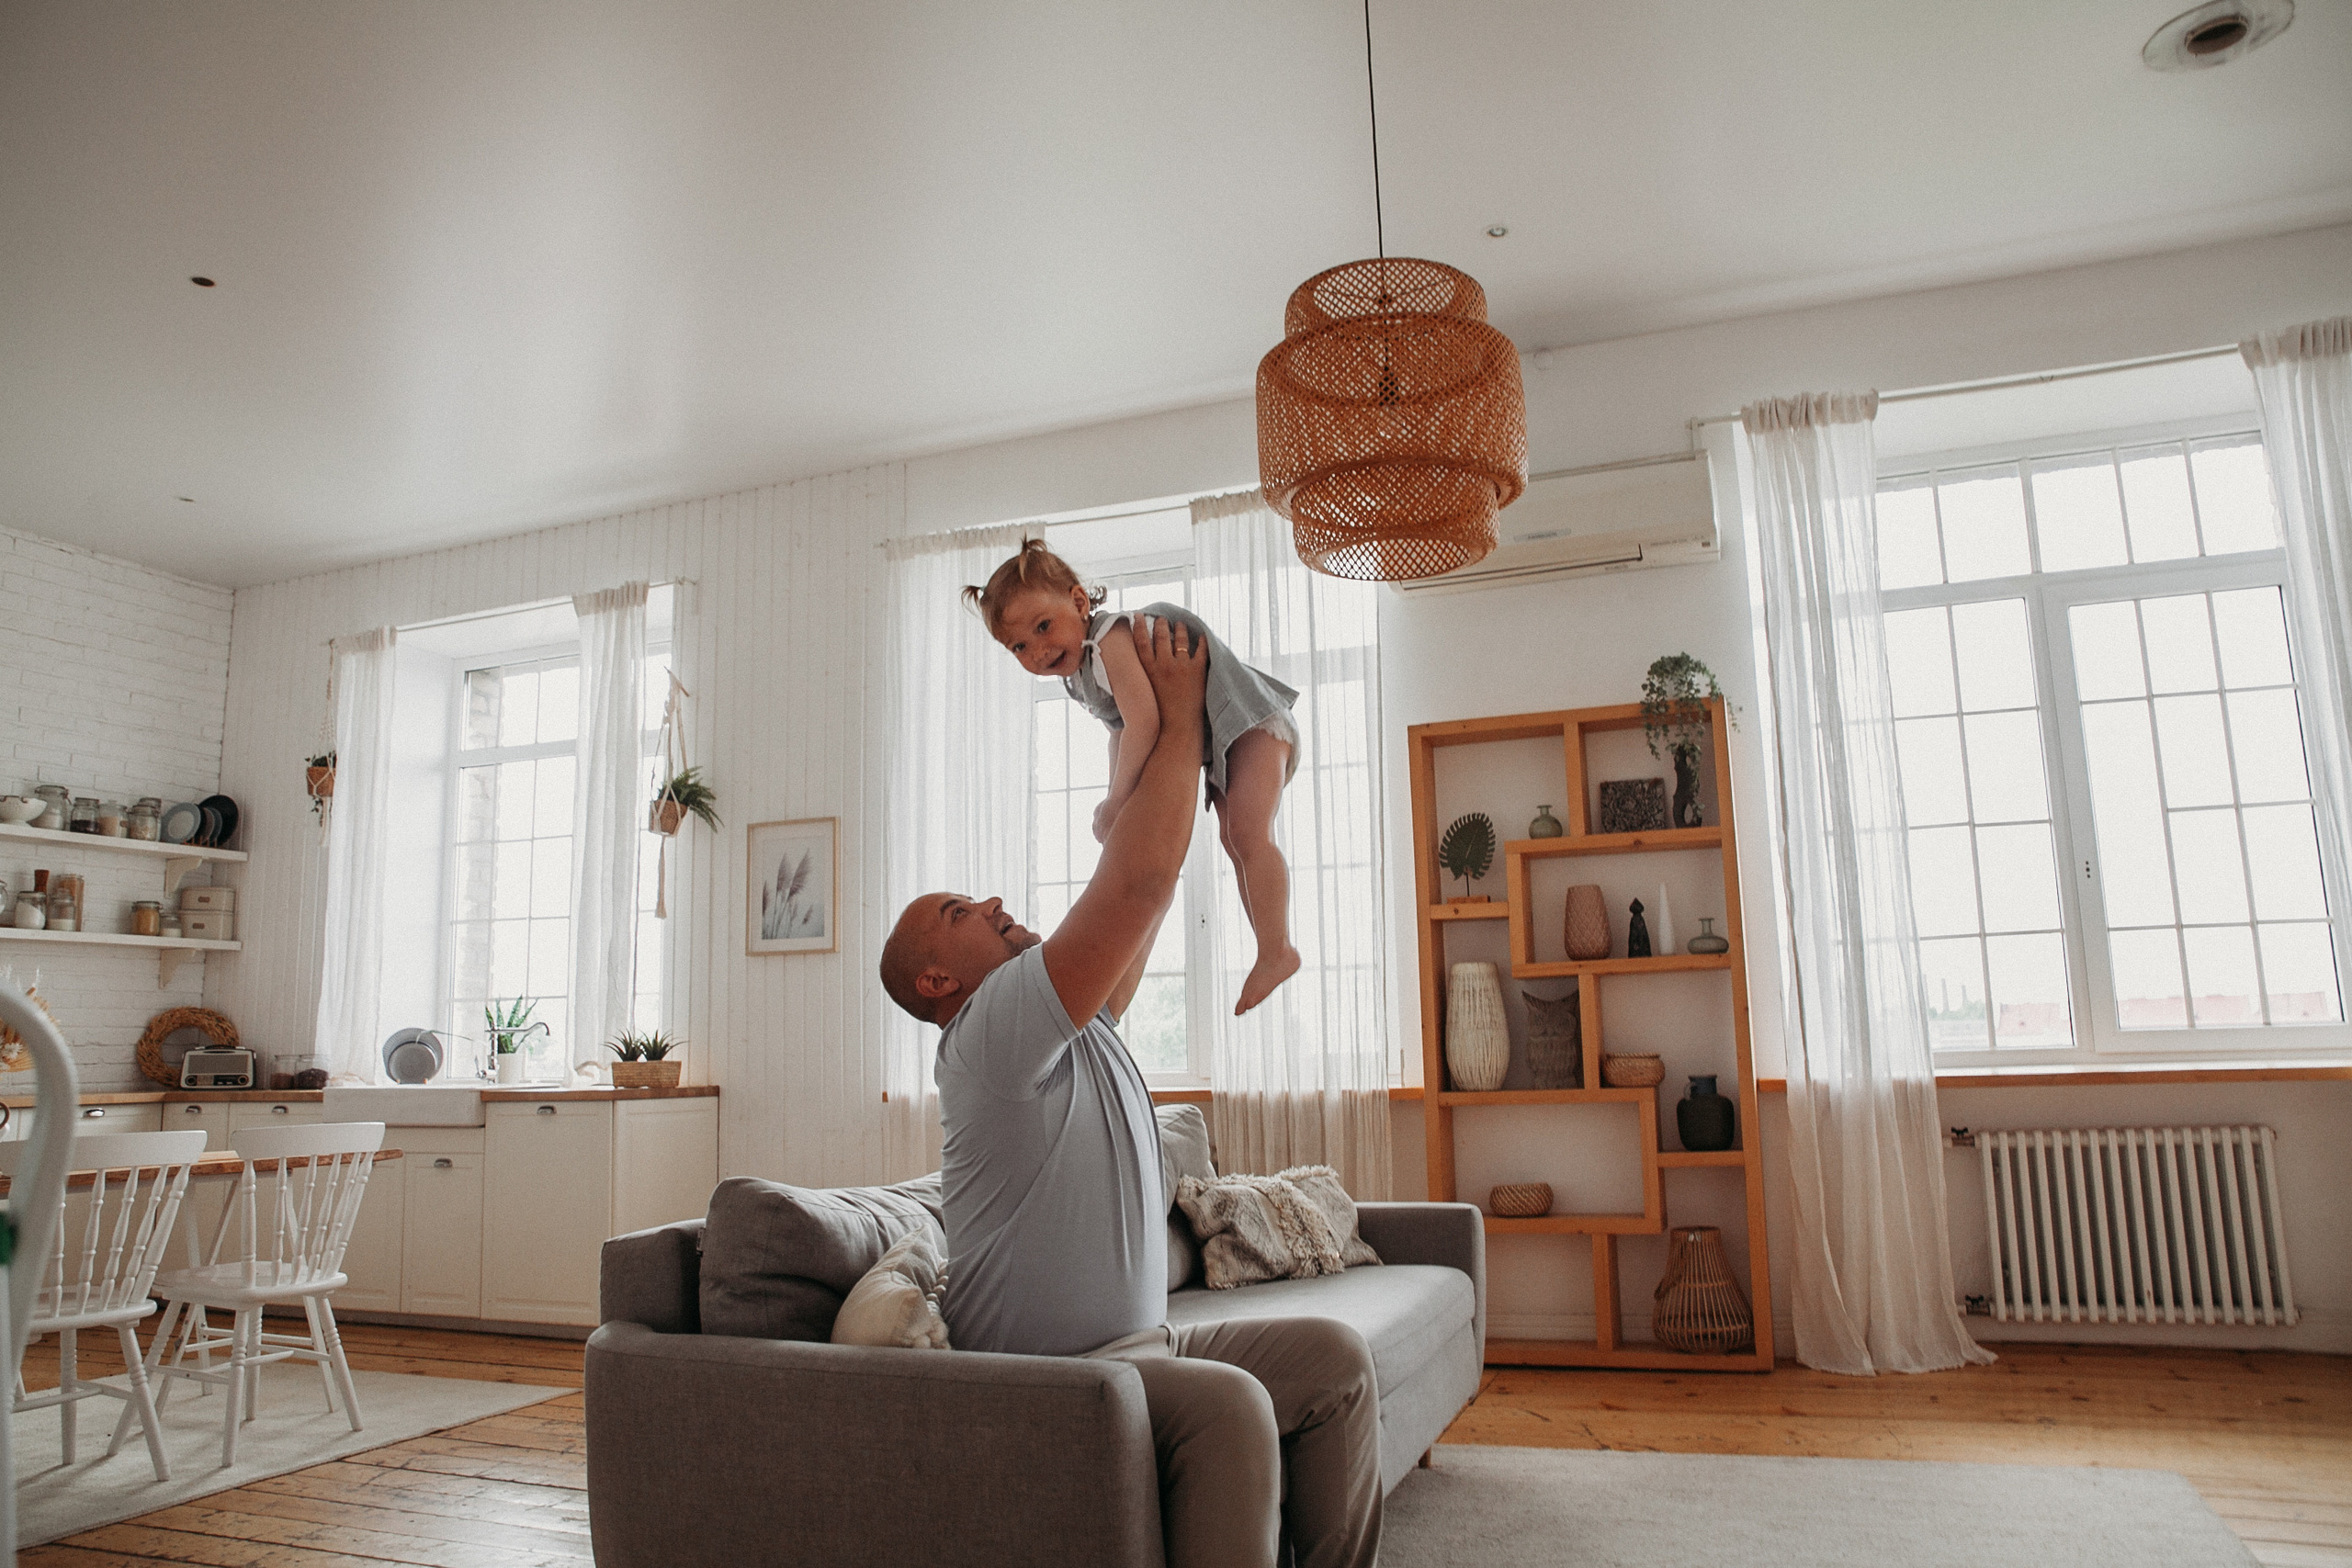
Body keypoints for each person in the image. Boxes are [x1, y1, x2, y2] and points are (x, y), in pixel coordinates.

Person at [878, 613, 1380, 1568]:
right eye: (957, 913)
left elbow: (1155, 872)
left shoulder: (1070, 1024)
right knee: (1232, 1403)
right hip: (1049, 1378)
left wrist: (1155, 749)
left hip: (1140, 1349)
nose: (988, 903)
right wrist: (1184, 713)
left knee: (1330, 1360)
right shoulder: (987, 1034)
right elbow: (1140, 879)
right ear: (937, 982)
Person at [963, 538, 1302, 1015]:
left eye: (1043, 626)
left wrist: (1118, 801)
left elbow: (1146, 720)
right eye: (1020, 646)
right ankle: (1273, 948)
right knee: (1235, 839)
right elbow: (1119, 733)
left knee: (1249, 833)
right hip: (1226, 735)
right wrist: (1112, 802)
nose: (1037, 650)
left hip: (1251, 720)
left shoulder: (1107, 641)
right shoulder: (1078, 673)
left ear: (1079, 603)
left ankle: (1276, 950)